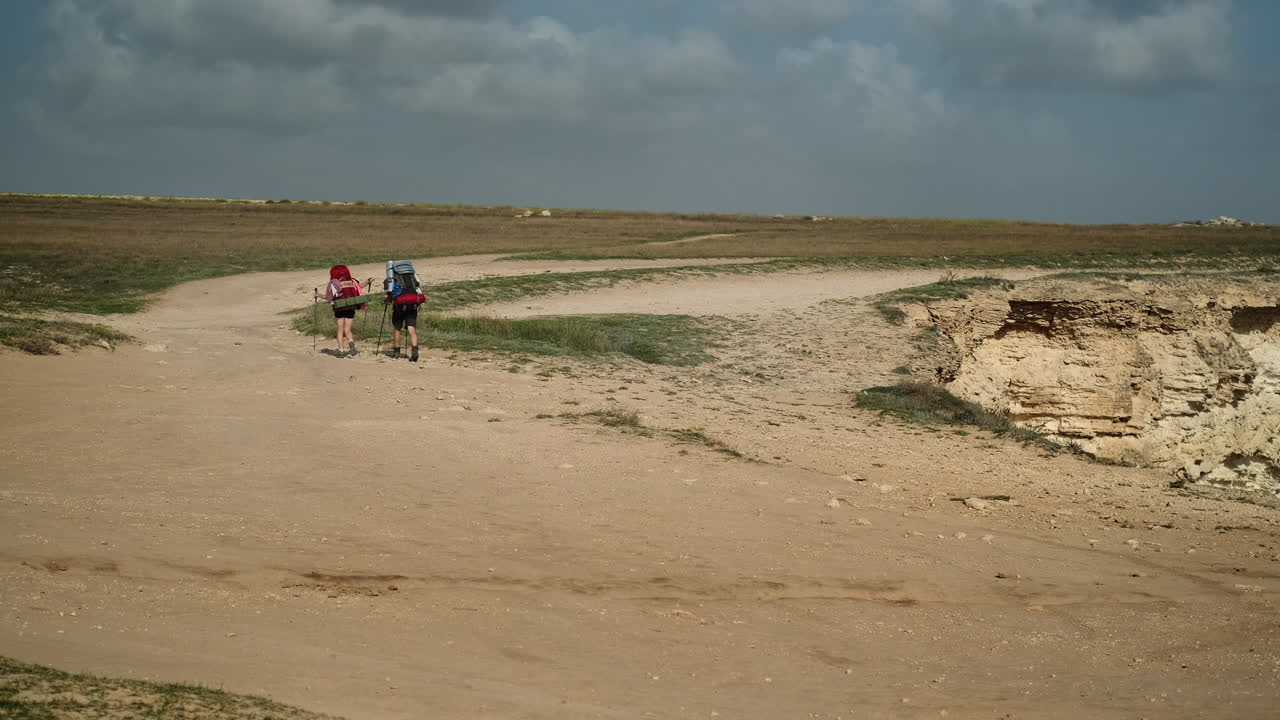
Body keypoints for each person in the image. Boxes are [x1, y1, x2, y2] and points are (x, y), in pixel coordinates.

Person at [318, 265, 364, 356]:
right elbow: (359, 287)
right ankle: (351, 344)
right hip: (351, 306)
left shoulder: (333, 282)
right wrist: (368, 282)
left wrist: (317, 295)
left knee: (340, 329)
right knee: (348, 329)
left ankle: (341, 350)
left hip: (339, 308)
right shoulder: (352, 281)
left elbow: (328, 297)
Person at [390, 295, 420, 362]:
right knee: (411, 329)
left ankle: (396, 352)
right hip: (412, 307)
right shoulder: (414, 283)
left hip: (398, 308)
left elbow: (391, 296)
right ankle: (415, 351)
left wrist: (388, 300)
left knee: (397, 329)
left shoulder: (395, 284)